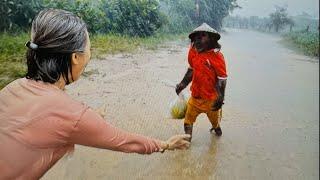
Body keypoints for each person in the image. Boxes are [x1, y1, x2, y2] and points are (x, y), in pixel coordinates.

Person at [0, 9, 190, 179]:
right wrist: (166, 144)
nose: (89, 54)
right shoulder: (74, 116)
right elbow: (125, 141)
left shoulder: (13, 87)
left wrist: (86, 119)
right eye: (89, 48)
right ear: (75, 57)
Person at [176, 23, 228, 142]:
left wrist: (220, 98)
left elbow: (222, 79)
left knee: (215, 125)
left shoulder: (217, 57)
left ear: (211, 39)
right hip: (195, 97)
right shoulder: (193, 52)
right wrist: (182, 85)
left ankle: (217, 136)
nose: (199, 39)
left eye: (203, 35)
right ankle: (187, 143)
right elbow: (191, 70)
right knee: (188, 122)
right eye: (197, 36)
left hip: (211, 100)